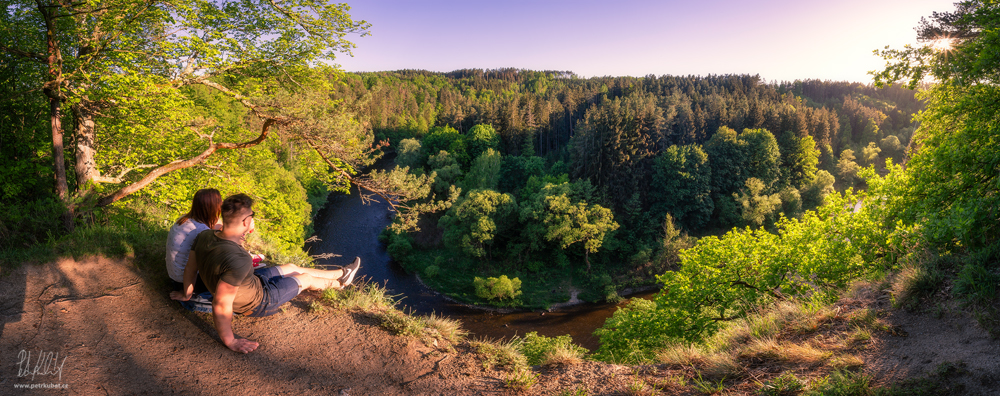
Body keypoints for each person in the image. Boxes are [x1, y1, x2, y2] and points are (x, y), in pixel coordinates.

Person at [170, 193, 360, 353]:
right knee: (305, 279)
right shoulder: (239, 258)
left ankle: (341, 273)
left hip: (252, 283)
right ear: (246, 221)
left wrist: (187, 294)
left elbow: (190, 268)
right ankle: (341, 285)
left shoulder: (204, 236)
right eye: (252, 216)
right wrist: (231, 341)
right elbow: (221, 302)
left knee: (291, 266)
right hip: (260, 301)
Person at [165, 188, 222, 292]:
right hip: (186, 282)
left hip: (174, 275)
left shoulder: (184, 219)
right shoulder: (202, 231)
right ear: (214, 207)